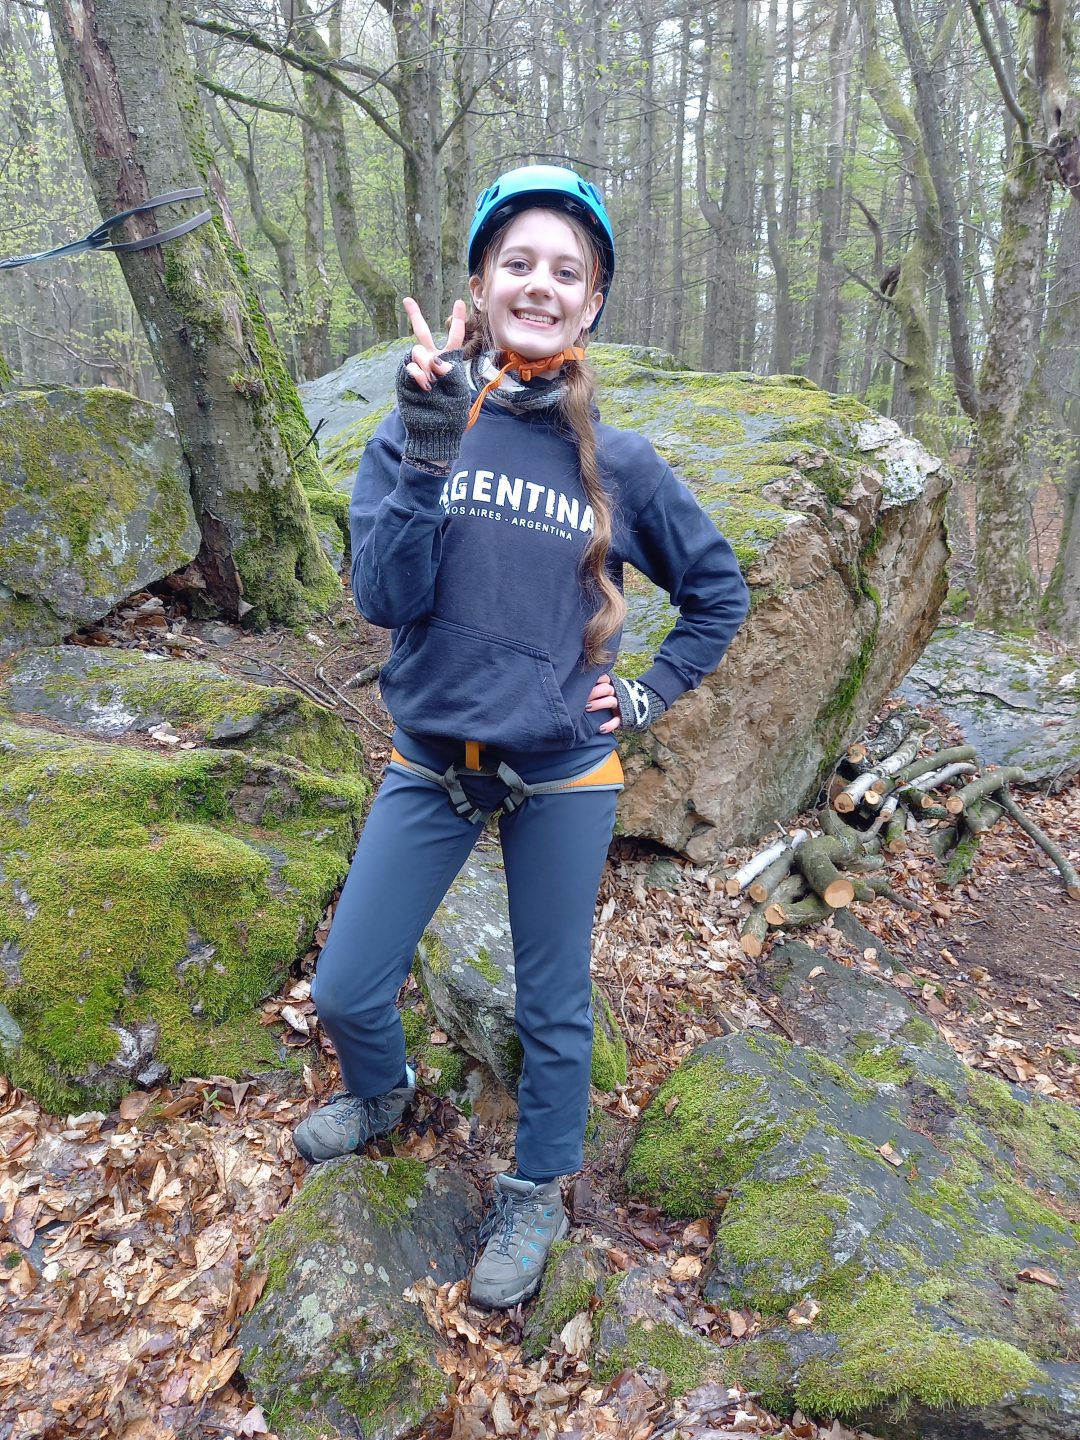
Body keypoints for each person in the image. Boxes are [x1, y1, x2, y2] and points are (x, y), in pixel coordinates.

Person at [293, 165, 750, 1309]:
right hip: (434, 761)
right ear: (480, 286)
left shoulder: (622, 465)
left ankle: (537, 1188)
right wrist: (427, 448)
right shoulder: (424, 425)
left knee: (552, 1006)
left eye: (566, 270)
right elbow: (384, 598)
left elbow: (719, 593)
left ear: (592, 301)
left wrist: (645, 695)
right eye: (519, 263)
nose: (540, 284)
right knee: (346, 988)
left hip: (562, 771)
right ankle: (382, 1091)